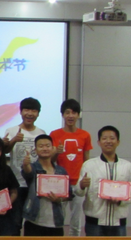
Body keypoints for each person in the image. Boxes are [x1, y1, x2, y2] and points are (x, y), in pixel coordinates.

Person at [75, 126, 131, 236]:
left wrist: (121, 200)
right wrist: (81, 185)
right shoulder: (89, 165)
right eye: (104, 138)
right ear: (99, 142)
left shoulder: (127, 166)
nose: (108, 141)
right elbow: (78, 192)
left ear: (118, 142)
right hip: (94, 221)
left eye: (112, 138)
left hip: (118, 222)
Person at [4, 97, 46, 235]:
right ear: (21, 112)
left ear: (38, 113)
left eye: (34, 111)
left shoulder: (41, 133)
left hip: (35, 184)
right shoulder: (11, 130)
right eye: (27, 110)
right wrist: (14, 140)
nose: (30, 113)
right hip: (17, 183)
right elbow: (4, 151)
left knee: (34, 222)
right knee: (15, 222)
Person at [50, 99, 92, 236]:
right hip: (60, 182)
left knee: (76, 222)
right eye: (67, 112)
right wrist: (57, 152)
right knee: (58, 219)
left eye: (74, 113)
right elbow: (50, 161)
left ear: (78, 115)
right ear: (62, 115)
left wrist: (86, 180)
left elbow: (87, 160)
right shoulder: (54, 134)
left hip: (78, 183)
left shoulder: (85, 135)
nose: (70, 116)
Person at [21, 134, 72, 236]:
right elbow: (28, 172)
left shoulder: (61, 171)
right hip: (34, 221)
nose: (45, 149)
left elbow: (69, 194)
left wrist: (59, 199)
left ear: (53, 148)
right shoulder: (33, 167)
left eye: (48, 146)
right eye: (41, 146)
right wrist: (26, 164)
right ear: (35, 150)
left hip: (56, 222)